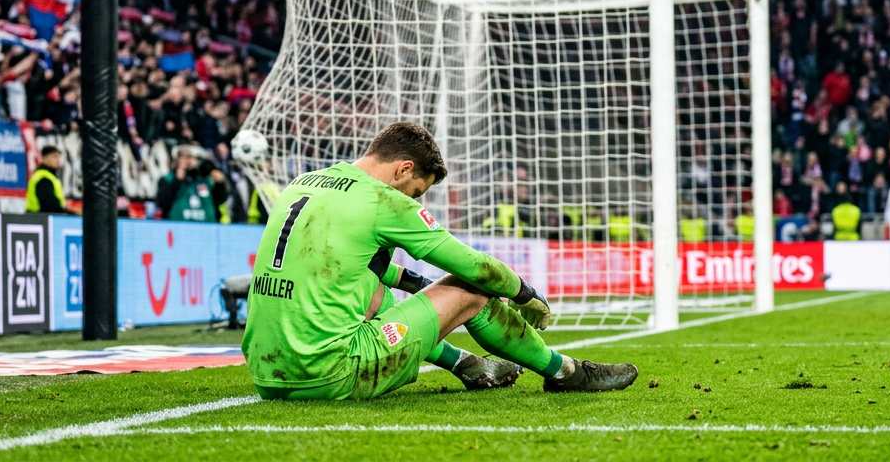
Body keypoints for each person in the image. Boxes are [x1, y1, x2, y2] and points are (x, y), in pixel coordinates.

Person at [242, 121, 637, 401]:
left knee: (375, 294)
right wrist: (523, 292)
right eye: (416, 192)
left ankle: (469, 365)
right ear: (404, 169)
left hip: (266, 373)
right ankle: (565, 372)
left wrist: (411, 281)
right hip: (331, 373)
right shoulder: (383, 201)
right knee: (472, 290)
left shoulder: (303, 183)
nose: (414, 201)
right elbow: (473, 265)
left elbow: (346, 267)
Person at [157, 145, 229, 222]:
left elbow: (220, 199)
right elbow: (163, 203)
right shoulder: (168, 179)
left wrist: (221, 184)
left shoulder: (205, 179)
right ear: (176, 160)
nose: (188, 161)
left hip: (206, 227)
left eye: (191, 157)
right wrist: (177, 180)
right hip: (178, 227)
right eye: (184, 157)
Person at [27, 146, 66, 213]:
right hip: (39, 219)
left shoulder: (47, 175)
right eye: (54, 156)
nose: (58, 160)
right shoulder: (44, 178)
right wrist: (67, 212)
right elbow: (50, 205)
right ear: (44, 158)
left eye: (59, 157)